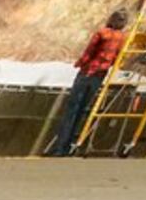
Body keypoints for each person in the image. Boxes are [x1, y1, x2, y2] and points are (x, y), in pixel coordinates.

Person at [44, 9, 129, 157]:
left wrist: (79, 64)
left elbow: (89, 52)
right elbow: (118, 57)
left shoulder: (102, 33)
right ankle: (72, 144)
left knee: (72, 110)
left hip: (88, 72)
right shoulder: (122, 38)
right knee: (83, 110)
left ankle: (60, 147)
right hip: (100, 75)